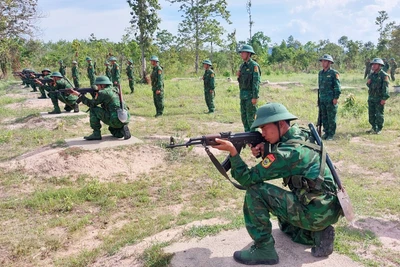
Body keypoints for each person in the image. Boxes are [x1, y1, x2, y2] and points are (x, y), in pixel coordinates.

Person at [212, 102, 342, 265]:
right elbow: (285, 149)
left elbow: (247, 178)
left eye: (265, 128)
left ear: (280, 124)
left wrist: (233, 153)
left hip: (313, 211)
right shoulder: (302, 134)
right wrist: (266, 148)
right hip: (327, 207)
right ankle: (317, 233)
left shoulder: (286, 154)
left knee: (255, 191)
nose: (263, 133)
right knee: (285, 225)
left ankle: (264, 250)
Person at [69, 76, 131, 140]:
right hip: (125, 118)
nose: (97, 87)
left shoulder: (103, 92)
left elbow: (91, 104)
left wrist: (79, 95)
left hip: (115, 119)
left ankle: (96, 134)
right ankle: (122, 128)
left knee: (93, 109)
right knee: (113, 131)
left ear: (102, 85)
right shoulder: (115, 89)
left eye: (98, 85)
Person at [237, 44, 260, 132]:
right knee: (244, 118)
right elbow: (242, 83)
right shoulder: (242, 66)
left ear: (249, 54)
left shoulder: (254, 66)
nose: (241, 54)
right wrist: (238, 76)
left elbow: (256, 82)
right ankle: (247, 137)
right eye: (241, 52)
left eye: (243, 52)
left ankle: (254, 138)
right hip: (243, 96)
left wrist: (255, 97)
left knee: (251, 120)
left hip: (250, 97)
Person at [318, 54, 341, 140]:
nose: (323, 63)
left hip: (331, 99)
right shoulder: (320, 73)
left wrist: (336, 98)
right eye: (322, 61)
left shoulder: (334, 73)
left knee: (331, 117)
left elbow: (337, 87)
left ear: (329, 62)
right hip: (323, 99)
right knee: (324, 117)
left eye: (325, 61)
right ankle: (326, 132)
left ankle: (331, 134)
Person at [366, 58, 390, 134]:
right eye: (373, 64)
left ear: (380, 65)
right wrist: (368, 83)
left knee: (379, 114)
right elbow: (368, 85)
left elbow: (385, 88)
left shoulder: (384, 75)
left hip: (379, 98)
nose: (373, 66)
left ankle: (379, 128)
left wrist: (384, 98)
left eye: (375, 64)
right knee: (371, 114)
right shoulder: (371, 75)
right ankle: (373, 127)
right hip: (371, 97)